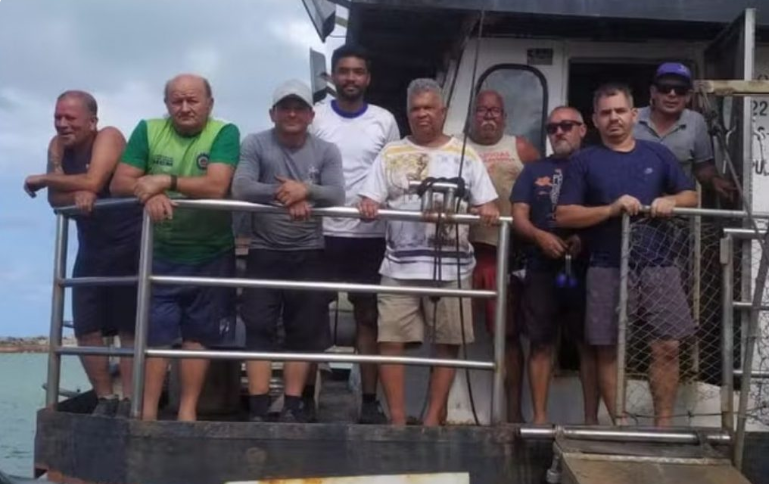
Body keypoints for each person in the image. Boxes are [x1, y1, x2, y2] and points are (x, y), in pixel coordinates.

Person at [358, 78, 499, 426]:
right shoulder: (391, 153)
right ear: (408, 114)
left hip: (453, 268)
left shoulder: (466, 154)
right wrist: (368, 205)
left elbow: (488, 204)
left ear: (443, 112)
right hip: (398, 267)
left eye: (429, 108)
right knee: (390, 341)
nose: (422, 114)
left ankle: (433, 418)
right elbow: (369, 199)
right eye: (416, 109)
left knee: (448, 343)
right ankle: (397, 420)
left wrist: (487, 210)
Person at [556, 83, 697, 427]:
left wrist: (670, 201)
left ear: (634, 115)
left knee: (667, 346)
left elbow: (691, 195)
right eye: (606, 113)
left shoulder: (658, 154)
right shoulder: (583, 161)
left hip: (660, 264)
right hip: (605, 266)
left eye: (620, 111)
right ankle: (620, 425)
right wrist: (610, 209)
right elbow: (564, 215)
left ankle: (663, 428)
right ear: (595, 120)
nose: (614, 118)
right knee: (607, 349)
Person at [110, 74, 240, 421]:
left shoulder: (224, 132)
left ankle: (187, 413)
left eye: (192, 100)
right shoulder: (149, 130)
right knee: (156, 336)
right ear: (166, 104)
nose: (184, 107)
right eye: (176, 101)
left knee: (199, 335)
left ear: (209, 103)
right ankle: (148, 414)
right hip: (160, 252)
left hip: (210, 252)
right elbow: (120, 182)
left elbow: (216, 186)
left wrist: (164, 181)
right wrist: (148, 194)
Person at [232, 79, 345, 423]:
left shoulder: (327, 150)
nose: (292, 114)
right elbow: (241, 186)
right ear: (273, 113)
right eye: (285, 108)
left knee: (304, 330)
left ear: (311, 115)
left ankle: (293, 406)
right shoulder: (255, 143)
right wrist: (287, 195)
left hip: (309, 251)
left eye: (299, 108)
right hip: (263, 249)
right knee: (258, 327)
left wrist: (305, 190)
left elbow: (337, 194)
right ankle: (258, 408)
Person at [24, 90, 141, 417]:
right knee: (87, 326)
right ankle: (105, 399)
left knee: (128, 327)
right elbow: (55, 200)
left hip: (129, 243)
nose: (62, 124)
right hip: (92, 246)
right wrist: (77, 191)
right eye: (58, 117)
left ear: (92, 121)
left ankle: (129, 400)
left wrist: (45, 179)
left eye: (70, 118)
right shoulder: (57, 146)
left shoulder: (109, 137)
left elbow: (94, 179)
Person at [309, 44, 401, 424]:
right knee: (312, 315)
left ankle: (369, 401)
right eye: (344, 71)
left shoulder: (384, 120)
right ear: (333, 76)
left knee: (369, 318)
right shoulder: (315, 116)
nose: (350, 78)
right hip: (321, 231)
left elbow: (394, 170)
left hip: (370, 235)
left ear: (368, 78)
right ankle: (304, 400)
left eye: (358, 71)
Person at [510, 106, 599, 425]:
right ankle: (539, 420)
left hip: (588, 268)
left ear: (582, 129)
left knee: (589, 345)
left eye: (566, 126)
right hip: (541, 267)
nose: (559, 132)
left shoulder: (597, 165)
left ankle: (591, 422)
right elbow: (519, 216)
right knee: (540, 343)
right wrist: (540, 236)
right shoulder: (533, 170)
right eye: (552, 128)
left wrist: (583, 239)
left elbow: (608, 211)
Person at [466, 89, 540, 423]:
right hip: (463, 253)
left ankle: (512, 413)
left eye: (494, 110)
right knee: (449, 335)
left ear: (504, 117)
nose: (488, 115)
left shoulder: (520, 148)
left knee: (507, 335)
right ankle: (443, 410)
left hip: (505, 252)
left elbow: (544, 190)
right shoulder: (456, 147)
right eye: (482, 110)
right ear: (473, 115)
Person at [634, 62, 736, 201]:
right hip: (634, 207)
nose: (672, 94)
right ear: (653, 92)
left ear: (688, 96)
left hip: (677, 209)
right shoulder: (631, 118)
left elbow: (702, 167)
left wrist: (714, 181)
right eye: (665, 88)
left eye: (680, 90)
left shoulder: (696, 122)